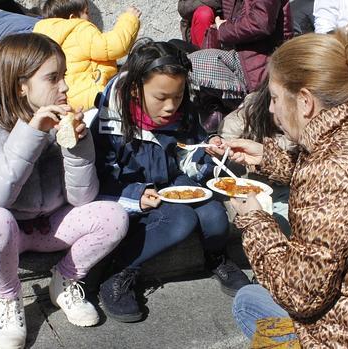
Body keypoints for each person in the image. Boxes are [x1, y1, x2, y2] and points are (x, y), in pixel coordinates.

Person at [226, 31, 348, 347]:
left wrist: (255, 222)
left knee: (247, 299)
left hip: (343, 338)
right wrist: (267, 157)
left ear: (305, 101)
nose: (271, 110)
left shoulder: (329, 168)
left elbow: (300, 294)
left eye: (276, 98)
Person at [0, 33, 128, 349]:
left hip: (51, 223)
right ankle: (8, 299)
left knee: (114, 216)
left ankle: (65, 280)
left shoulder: (61, 117)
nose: (64, 87)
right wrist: (31, 133)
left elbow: (82, 199)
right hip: (7, 232)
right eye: (53, 78)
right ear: (21, 85)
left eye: (63, 76)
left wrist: (79, 147)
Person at [90, 39, 250, 323]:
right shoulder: (108, 123)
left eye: (176, 97)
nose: (170, 106)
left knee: (214, 214)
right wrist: (137, 194)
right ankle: (119, 270)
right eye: (161, 97)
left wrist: (208, 149)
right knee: (180, 220)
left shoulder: (181, 109)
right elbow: (99, 181)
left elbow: (189, 150)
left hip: (172, 180)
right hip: (129, 195)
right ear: (135, 89)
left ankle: (216, 257)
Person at [210, 76, 297, 233]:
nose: (272, 108)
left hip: (285, 190)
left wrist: (268, 154)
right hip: (245, 188)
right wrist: (219, 148)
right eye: (273, 101)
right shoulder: (240, 121)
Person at [187, 0, 288, 132]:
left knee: (195, 63)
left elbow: (261, 22)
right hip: (242, 57)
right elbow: (185, 7)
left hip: (263, 64)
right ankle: (216, 104)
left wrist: (223, 28)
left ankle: (244, 105)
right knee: (183, 60)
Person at [33, 0, 141, 111]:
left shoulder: (45, 34)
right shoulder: (79, 30)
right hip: (90, 95)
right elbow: (114, 46)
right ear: (73, 17)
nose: (89, 18)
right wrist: (129, 19)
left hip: (67, 98)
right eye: (86, 12)